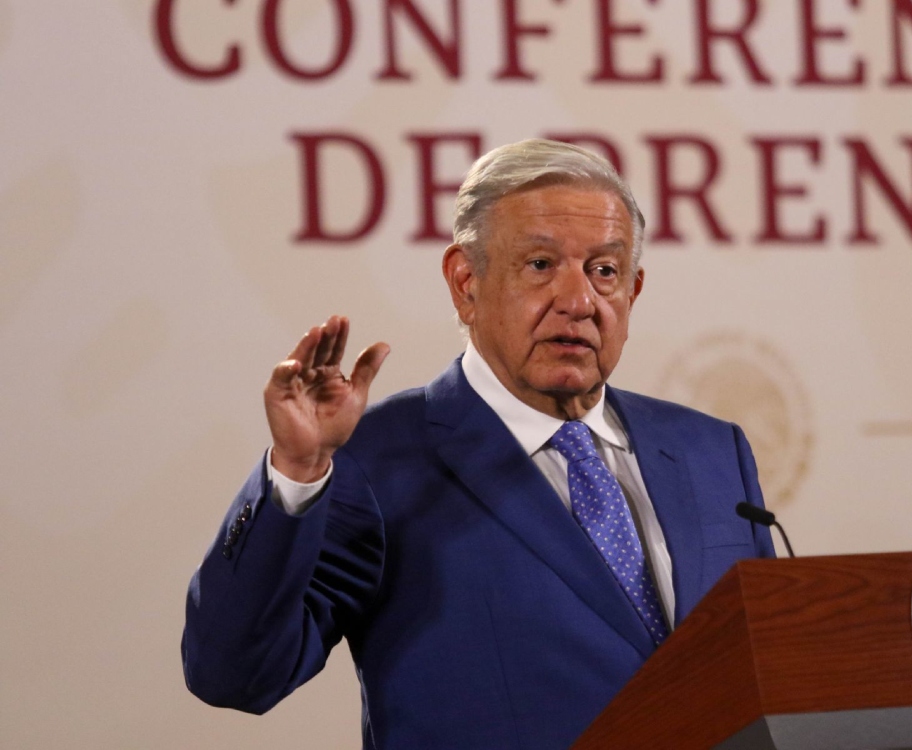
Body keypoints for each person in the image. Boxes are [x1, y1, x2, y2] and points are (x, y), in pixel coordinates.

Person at [182, 139, 775, 749]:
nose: (579, 302)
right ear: (466, 282)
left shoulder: (711, 452)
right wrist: (297, 470)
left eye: (604, 271)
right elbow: (235, 674)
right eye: (540, 264)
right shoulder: (374, 459)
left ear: (633, 290)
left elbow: (770, 674)